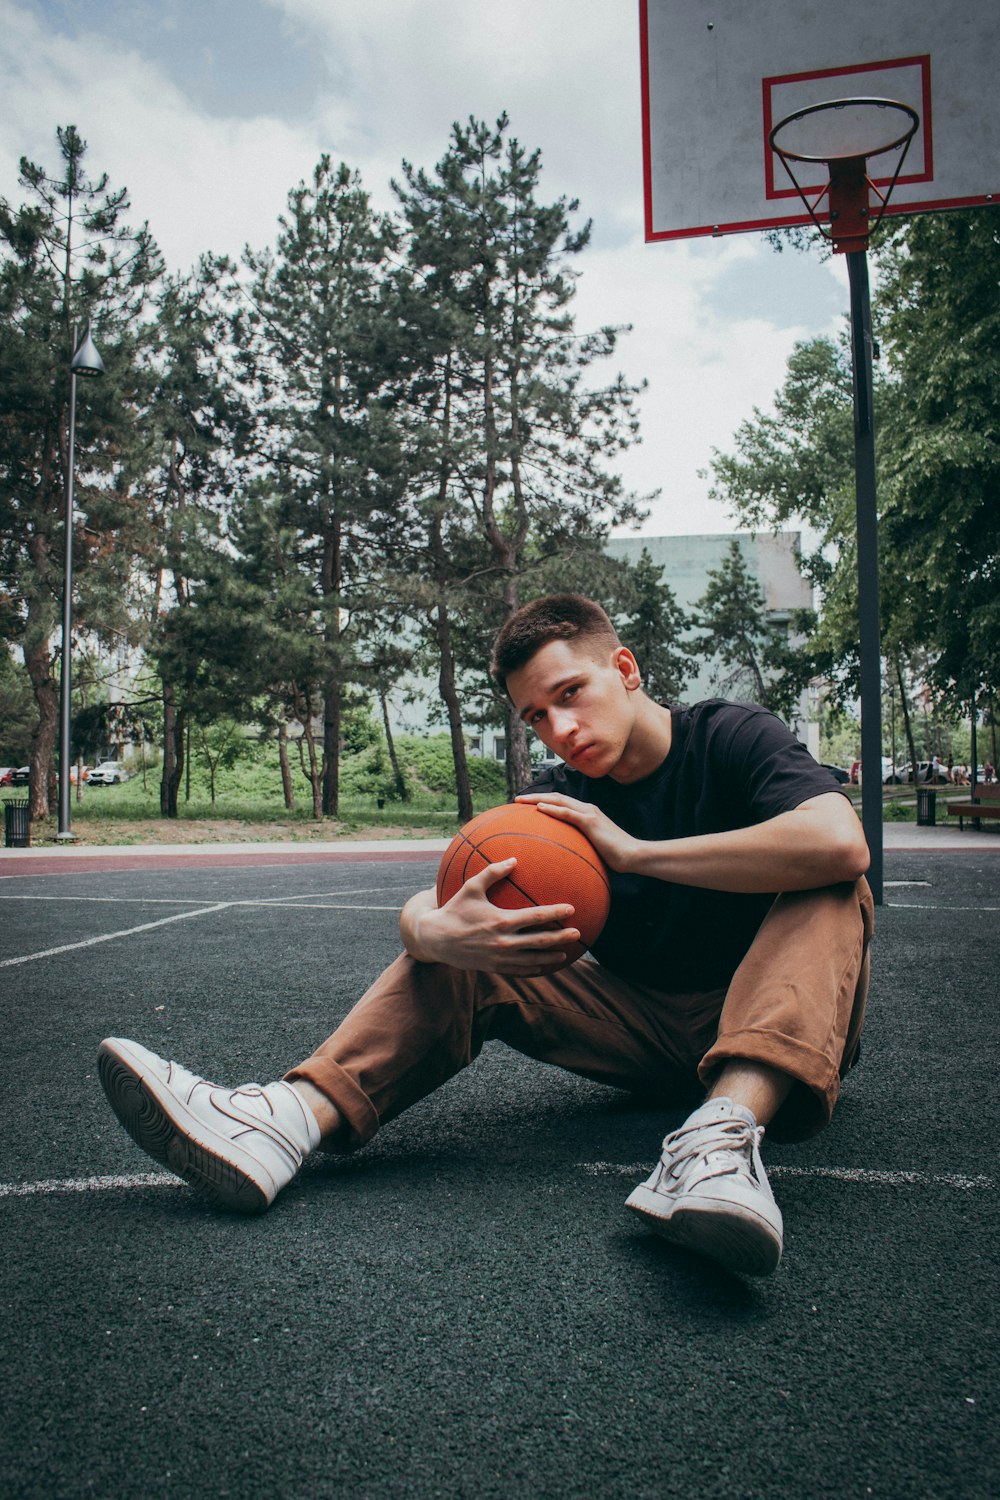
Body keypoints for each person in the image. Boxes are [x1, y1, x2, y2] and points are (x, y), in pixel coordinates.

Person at [98, 594, 873, 1278]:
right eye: (536, 715)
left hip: (775, 1027)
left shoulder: (733, 738)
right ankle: (284, 1121)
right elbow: (440, 903)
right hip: (641, 1029)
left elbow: (841, 842)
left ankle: (718, 1142)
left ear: (626, 669)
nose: (561, 729)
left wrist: (635, 854)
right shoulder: (559, 798)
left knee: (835, 885)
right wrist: (434, 931)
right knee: (476, 936)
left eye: (572, 694)